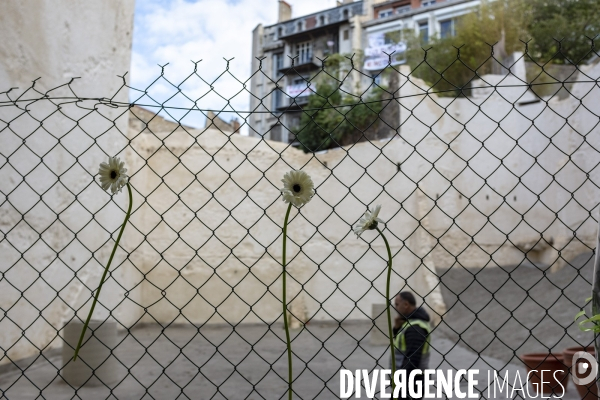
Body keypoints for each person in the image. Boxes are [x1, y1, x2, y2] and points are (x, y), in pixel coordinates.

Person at [391, 291, 432, 400]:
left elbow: (412, 360)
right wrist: (396, 328)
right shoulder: (410, 322)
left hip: (412, 381)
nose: (395, 307)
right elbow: (402, 344)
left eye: (397, 304)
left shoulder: (415, 327)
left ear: (406, 305)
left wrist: (401, 386)